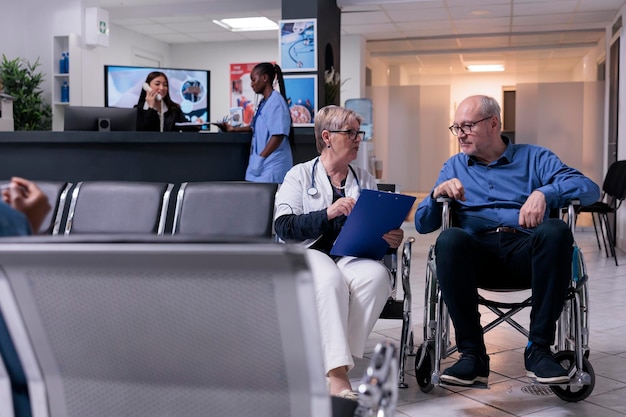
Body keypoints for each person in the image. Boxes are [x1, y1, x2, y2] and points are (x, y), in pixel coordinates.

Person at [414, 95, 600, 387]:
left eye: (467, 126)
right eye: (456, 127)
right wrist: (437, 194)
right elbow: (423, 225)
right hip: (477, 259)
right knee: (448, 239)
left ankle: (538, 350)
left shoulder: (535, 158)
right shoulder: (454, 166)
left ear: (493, 124)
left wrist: (545, 193)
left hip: (529, 255)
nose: (460, 134)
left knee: (555, 230)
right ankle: (472, 355)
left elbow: (590, 190)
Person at [274, 105, 404, 399]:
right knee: (329, 279)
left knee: (377, 277)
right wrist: (328, 213)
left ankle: (330, 359)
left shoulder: (364, 179)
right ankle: (338, 374)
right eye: (351, 133)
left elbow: (374, 228)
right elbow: (284, 227)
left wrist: (390, 238)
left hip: (351, 256)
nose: (358, 139)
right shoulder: (298, 175)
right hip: (306, 253)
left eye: (359, 133)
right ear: (327, 137)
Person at [216, 62, 293, 183]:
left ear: (264, 78)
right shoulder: (264, 102)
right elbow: (255, 127)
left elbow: (278, 135)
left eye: (253, 80)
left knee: (268, 199)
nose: (252, 84)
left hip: (271, 165)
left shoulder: (276, 102)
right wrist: (233, 129)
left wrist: (261, 157)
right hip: (261, 165)